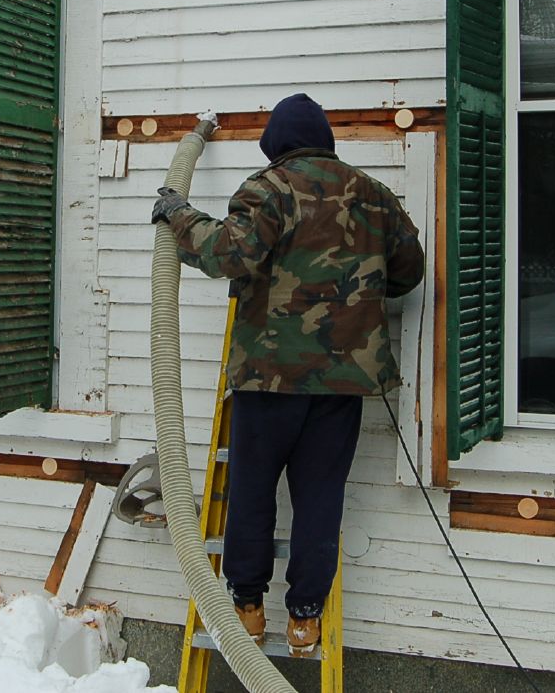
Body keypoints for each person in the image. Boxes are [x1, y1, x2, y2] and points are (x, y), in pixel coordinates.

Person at [150, 93, 425, 657]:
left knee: (251, 494)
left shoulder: (267, 188)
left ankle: (247, 610)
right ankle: (305, 619)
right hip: (343, 383)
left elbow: (230, 255)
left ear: (276, 145)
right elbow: (409, 271)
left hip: (268, 381)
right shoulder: (373, 194)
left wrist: (179, 213)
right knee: (320, 497)